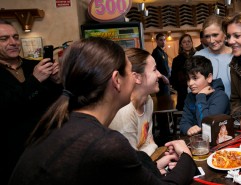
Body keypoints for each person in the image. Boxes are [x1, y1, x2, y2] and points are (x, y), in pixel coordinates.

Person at [8, 37, 198, 185]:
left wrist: (151, 166)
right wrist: (187, 156)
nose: (133, 78)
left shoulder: (63, 120)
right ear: (117, 80)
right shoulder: (105, 142)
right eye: (130, 71)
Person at [0, 20, 62, 184]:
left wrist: (57, 82)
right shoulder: (37, 73)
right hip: (13, 153)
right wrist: (35, 81)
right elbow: (6, 107)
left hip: (48, 147)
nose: (13, 42)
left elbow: (56, 103)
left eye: (15, 37)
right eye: (4, 39)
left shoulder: (35, 66)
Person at [109, 48, 160, 156]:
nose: (159, 75)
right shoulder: (124, 112)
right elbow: (132, 160)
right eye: (154, 70)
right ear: (137, 77)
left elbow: (149, 140)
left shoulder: (148, 100)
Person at [179, 55, 230, 136]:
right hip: (198, 141)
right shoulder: (190, 97)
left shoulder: (221, 97)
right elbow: (184, 123)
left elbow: (207, 126)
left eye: (195, 78)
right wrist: (188, 129)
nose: (190, 83)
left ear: (209, 78)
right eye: (188, 79)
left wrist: (201, 96)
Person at [195, 15, 233, 98]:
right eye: (207, 36)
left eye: (215, 35)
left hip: (235, 108)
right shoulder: (199, 56)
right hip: (208, 108)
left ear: (225, 33)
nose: (211, 41)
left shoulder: (236, 55)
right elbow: (192, 88)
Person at [170, 34, 196, 110]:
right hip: (183, 92)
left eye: (189, 41)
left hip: (198, 90)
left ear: (192, 43)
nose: (187, 43)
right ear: (181, 45)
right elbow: (173, 78)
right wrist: (180, 88)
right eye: (184, 42)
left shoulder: (198, 56)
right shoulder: (176, 60)